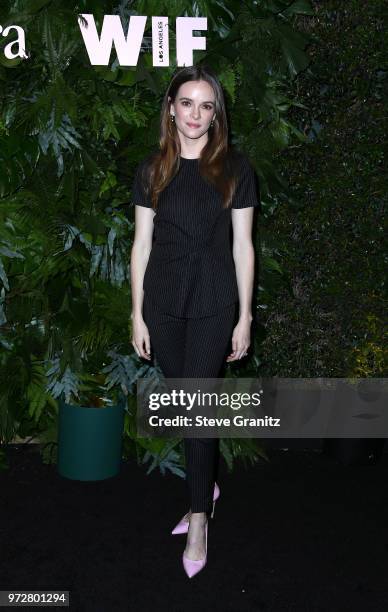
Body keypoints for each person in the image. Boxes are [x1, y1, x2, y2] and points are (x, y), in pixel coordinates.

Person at [130, 64, 260, 578]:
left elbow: (244, 248)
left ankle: (200, 519)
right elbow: (141, 246)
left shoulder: (235, 168)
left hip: (212, 302)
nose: (196, 114)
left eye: (207, 105)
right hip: (161, 304)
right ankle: (206, 484)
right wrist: (136, 313)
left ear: (216, 113)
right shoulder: (151, 170)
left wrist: (244, 315)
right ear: (171, 107)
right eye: (187, 102)